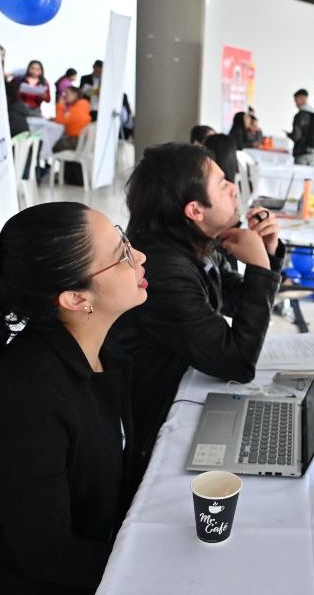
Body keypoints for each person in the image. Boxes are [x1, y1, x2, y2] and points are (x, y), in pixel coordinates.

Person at [0, 202, 147, 595]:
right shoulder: (24, 397)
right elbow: (48, 554)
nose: (139, 256)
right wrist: (151, 563)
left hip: (94, 574)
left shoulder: (101, 349)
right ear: (75, 298)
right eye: (122, 253)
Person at [109, 143, 284, 483]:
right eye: (222, 184)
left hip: (179, 388)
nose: (234, 188)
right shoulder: (162, 268)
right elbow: (236, 362)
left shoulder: (189, 240)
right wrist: (260, 266)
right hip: (149, 423)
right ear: (194, 210)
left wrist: (268, 253)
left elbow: (231, 295)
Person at [287, 89, 314, 167]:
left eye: (296, 100)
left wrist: (289, 135)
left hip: (302, 153)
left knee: (300, 177)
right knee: (311, 178)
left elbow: (296, 136)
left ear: (302, 98)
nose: (295, 103)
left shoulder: (300, 115)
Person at [53, 86, 92, 152]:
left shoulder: (78, 107)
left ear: (75, 94)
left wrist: (60, 104)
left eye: (67, 94)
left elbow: (59, 121)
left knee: (51, 142)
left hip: (76, 141)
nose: (65, 96)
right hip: (79, 141)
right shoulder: (81, 106)